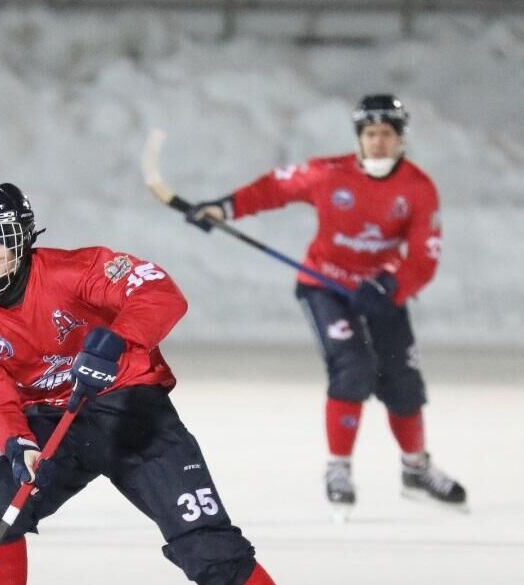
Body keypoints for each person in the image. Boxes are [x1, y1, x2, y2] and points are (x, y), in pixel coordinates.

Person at [0, 183, 305, 585]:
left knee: (208, 549)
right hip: (56, 424)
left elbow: (160, 291)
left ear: (21, 240)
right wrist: (15, 442)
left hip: (131, 412)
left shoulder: (74, 271)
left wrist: (118, 341)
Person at [185, 94, 467, 517]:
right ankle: (338, 470)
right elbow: (275, 188)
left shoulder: (418, 188)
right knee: (352, 370)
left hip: (382, 290)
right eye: (370, 134)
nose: (378, 143)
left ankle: (415, 469)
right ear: (359, 138)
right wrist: (224, 208)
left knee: (402, 381)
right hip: (326, 285)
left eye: (387, 135)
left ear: (401, 139)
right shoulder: (328, 174)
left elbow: (425, 258)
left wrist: (391, 282)